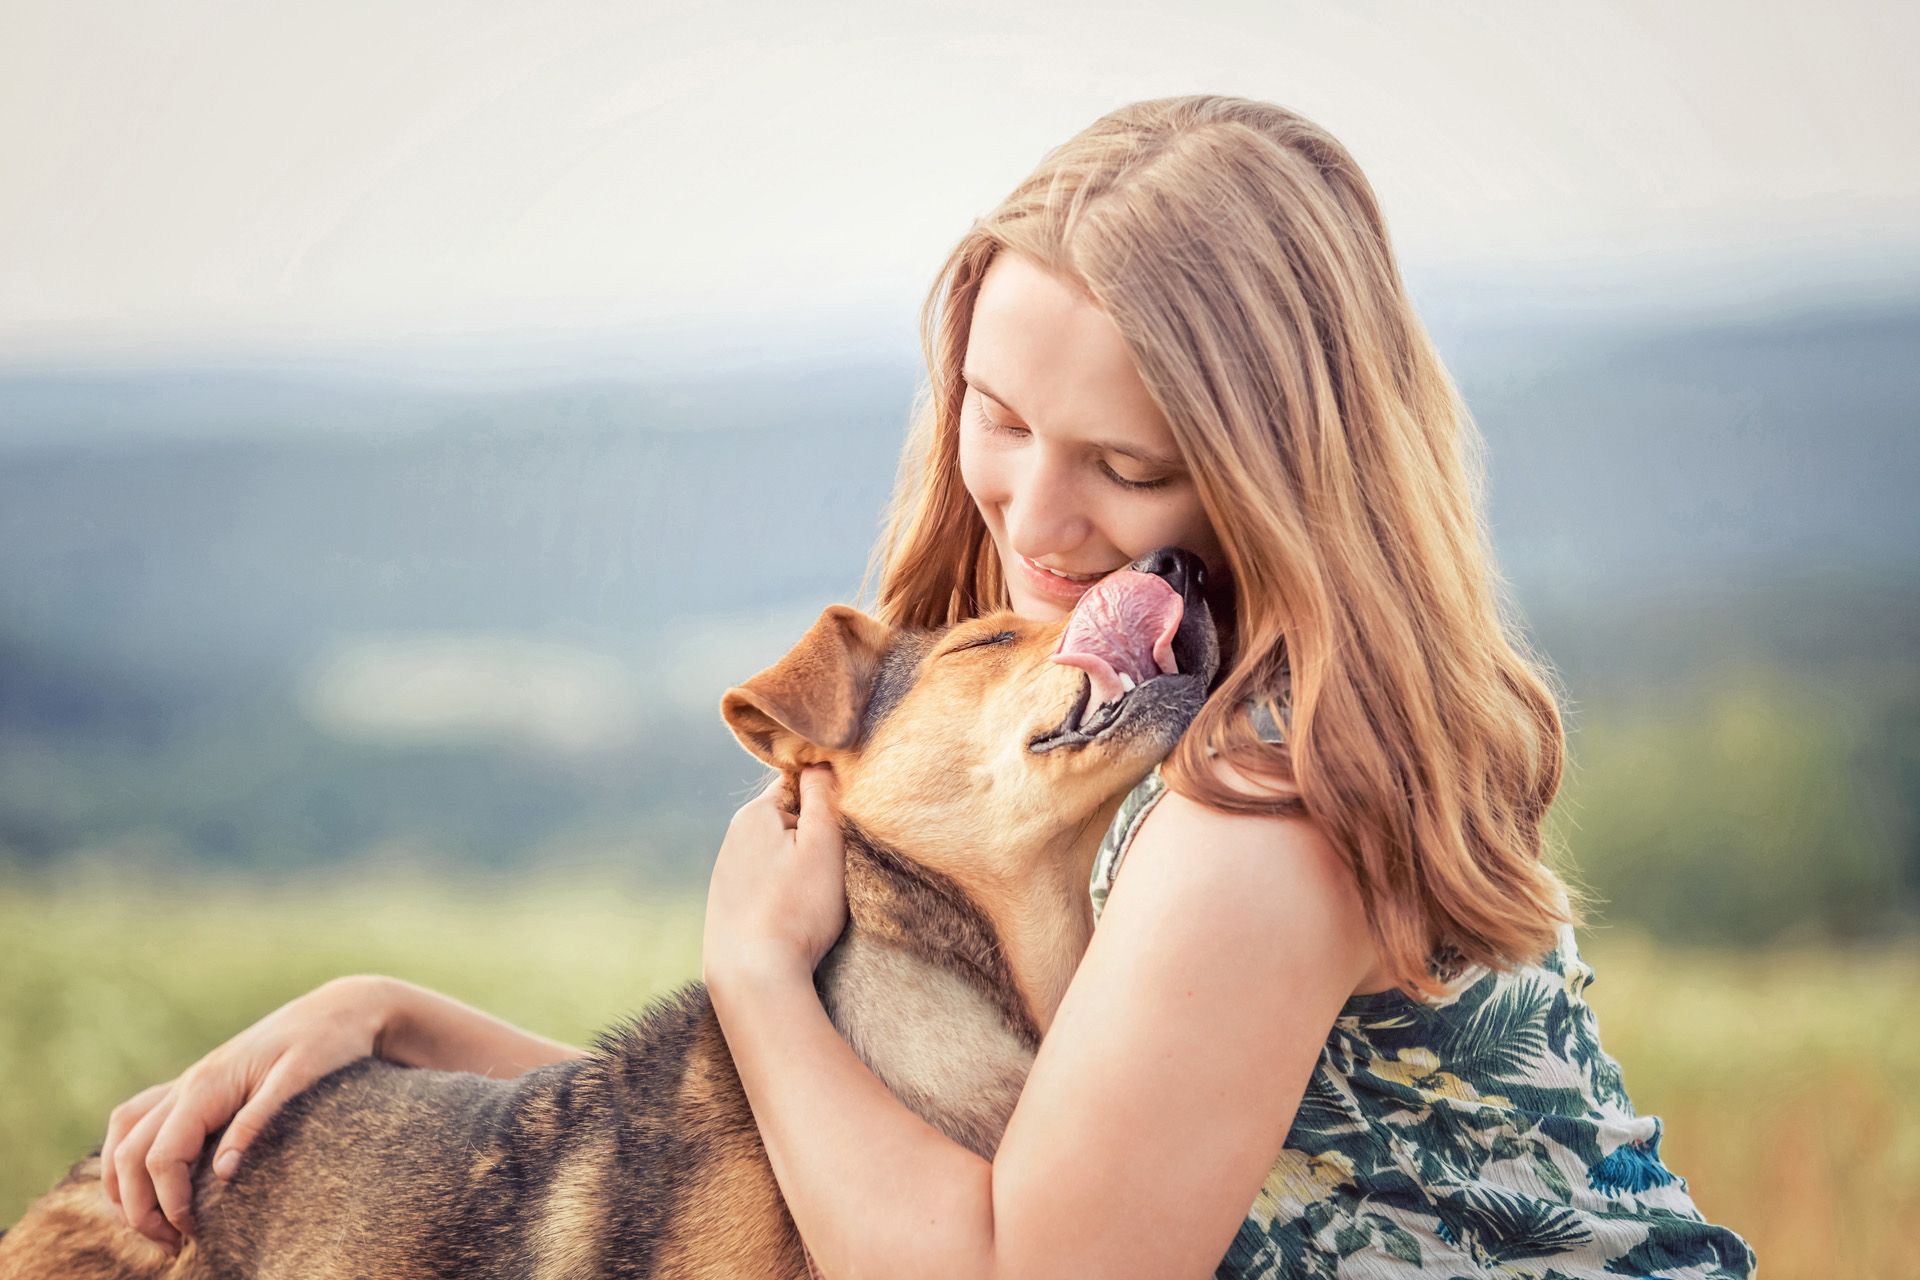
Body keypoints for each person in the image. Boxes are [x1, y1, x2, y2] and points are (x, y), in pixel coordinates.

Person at [102, 94, 1755, 1278]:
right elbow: (844, 1165)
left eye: (1123, 461)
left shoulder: (1259, 803)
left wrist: (756, 972)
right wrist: (394, 1022)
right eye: (1000, 417)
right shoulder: (1157, 726)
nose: (1033, 519)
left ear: (1275, 476)